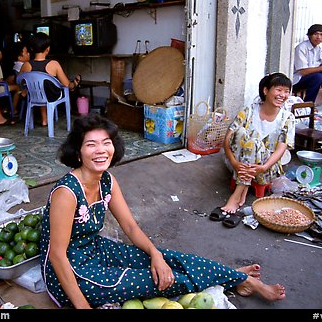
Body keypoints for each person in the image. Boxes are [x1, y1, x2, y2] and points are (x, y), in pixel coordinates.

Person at [39, 113, 286, 309]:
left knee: (168, 260)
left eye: (106, 143)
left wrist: (156, 254)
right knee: (159, 281)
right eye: (91, 144)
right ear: (78, 152)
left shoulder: (107, 181)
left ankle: (234, 277)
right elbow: (57, 256)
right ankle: (237, 279)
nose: (101, 150)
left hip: (96, 249)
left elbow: (130, 227)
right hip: (73, 269)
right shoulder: (66, 193)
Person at [220, 73, 295, 214]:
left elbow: (281, 149)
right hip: (238, 166)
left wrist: (264, 167)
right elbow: (227, 139)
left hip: (265, 170)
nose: (283, 95)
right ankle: (244, 187)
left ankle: (237, 195)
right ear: (266, 91)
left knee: (254, 143)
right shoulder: (249, 111)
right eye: (278, 90)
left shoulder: (287, 118)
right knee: (240, 132)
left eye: (286, 91)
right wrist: (233, 162)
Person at [19, 32, 81, 126]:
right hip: (52, 96)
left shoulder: (26, 65)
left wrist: (26, 89)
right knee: (65, 87)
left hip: (34, 96)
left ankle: (45, 120)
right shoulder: (54, 64)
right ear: (48, 49)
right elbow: (66, 84)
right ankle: (76, 84)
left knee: (41, 89)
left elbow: (20, 81)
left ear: (31, 49)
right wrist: (73, 84)